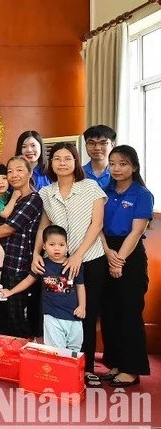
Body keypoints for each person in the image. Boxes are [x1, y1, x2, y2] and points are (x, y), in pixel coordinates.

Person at [33, 142, 106, 387]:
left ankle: (85, 369)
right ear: (50, 164)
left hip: (90, 259)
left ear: (76, 161)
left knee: (85, 314)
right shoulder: (46, 192)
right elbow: (44, 227)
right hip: (57, 263)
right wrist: (36, 253)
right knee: (60, 313)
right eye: (57, 159)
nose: (62, 163)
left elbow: (97, 225)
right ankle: (60, 367)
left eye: (68, 158)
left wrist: (78, 255)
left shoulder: (91, 187)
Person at [99, 145, 153, 387]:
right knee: (109, 313)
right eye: (112, 163)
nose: (116, 168)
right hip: (104, 249)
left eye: (123, 163)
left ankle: (132, 369)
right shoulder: (104, 190)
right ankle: (116, 363)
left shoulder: (142, 194)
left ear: (134, 166)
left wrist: (118, 260)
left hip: (129, 255)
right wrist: (107, 252)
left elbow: (136, 231)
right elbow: (96, 226)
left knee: (129, 313)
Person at [0, 156, 43, 338]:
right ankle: (4, 361)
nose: (13, 175)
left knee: (15, 318)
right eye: (10, 171)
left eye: (19, 170)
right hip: (0, 265)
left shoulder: (32, 199)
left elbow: (8, 228)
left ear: (30, 173)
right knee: (0, 318)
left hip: (17, 267)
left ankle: (20, 359)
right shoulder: (5, 198)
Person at [1, 225, 85, 351]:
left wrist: (82, 306)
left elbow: (80, 286)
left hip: (73, 316)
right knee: (56, 351)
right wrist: (10, 291)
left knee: (75, 350)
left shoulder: (74, 265)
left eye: (61, 245)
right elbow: (29, 280)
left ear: (67, 246)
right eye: (52, 244)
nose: (57, 248)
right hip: (52, 316)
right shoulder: (43, 265)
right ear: (44, 246)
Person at [82, 125, 115, 189]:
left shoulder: (119, 172)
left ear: (112, 145)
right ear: (85, 146)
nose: (97, 148)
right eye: (91, 143)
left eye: (103, 143)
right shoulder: (78, 173)